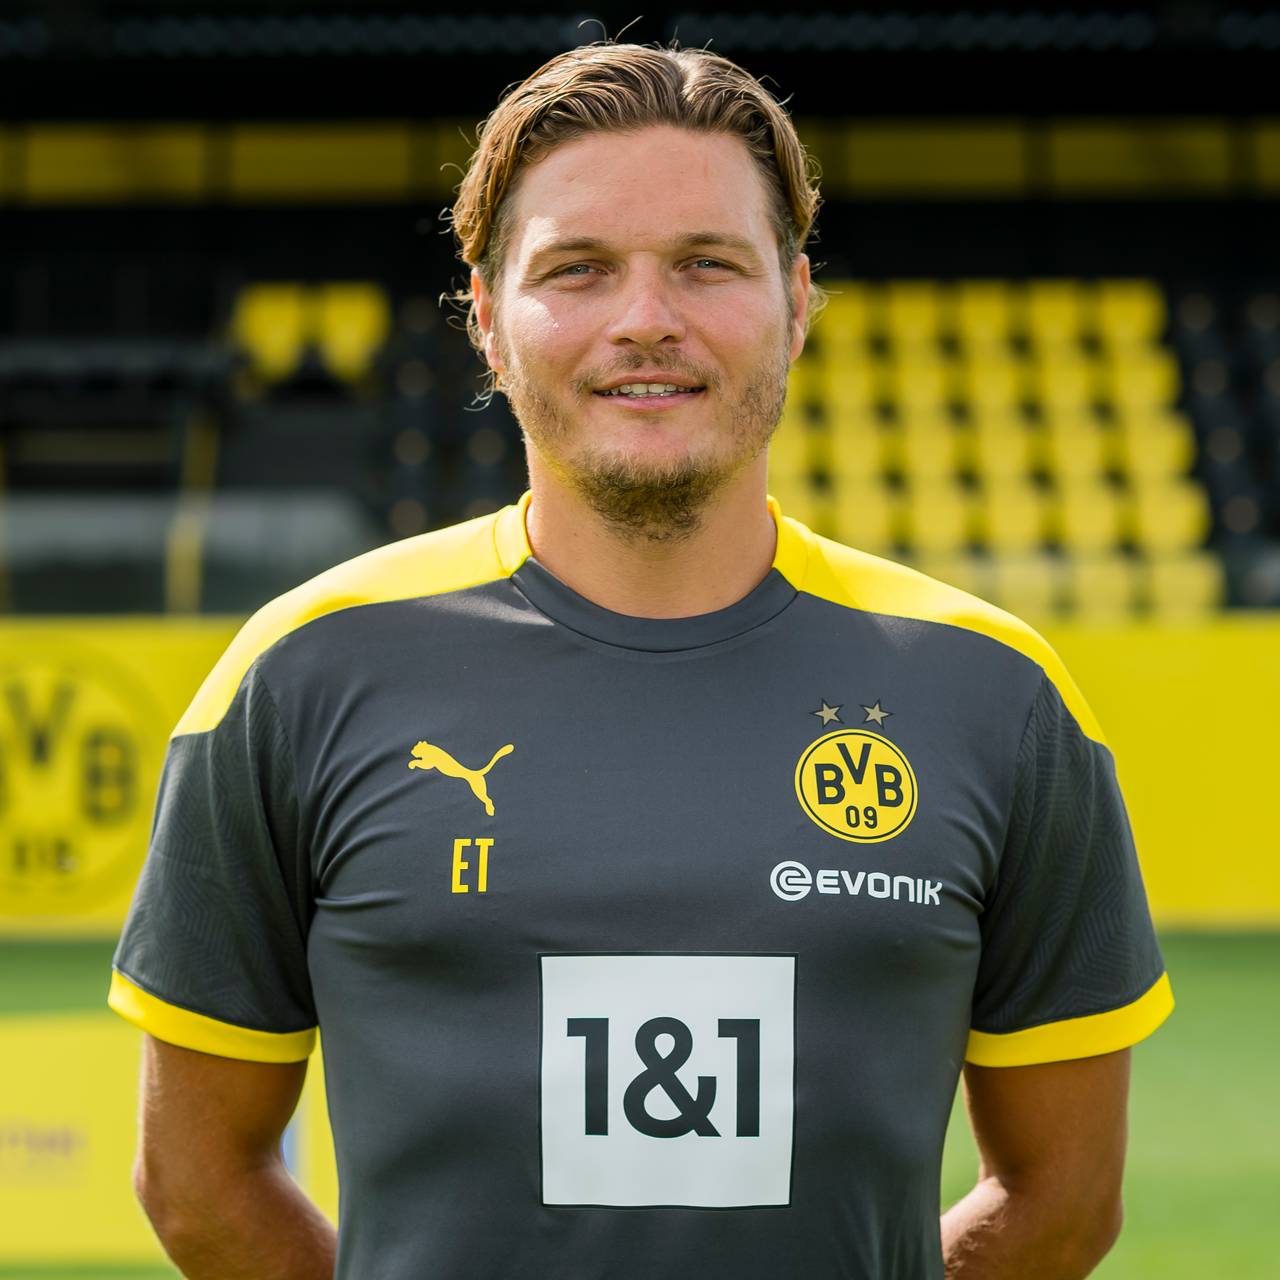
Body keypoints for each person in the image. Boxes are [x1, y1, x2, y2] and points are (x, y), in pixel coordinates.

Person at [108, 40, 1173, 1280]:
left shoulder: (996, 692)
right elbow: (196, 1179)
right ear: (486, 319)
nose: (645, 320)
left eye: (706, 264)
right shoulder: (297, 674)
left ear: (797, 301)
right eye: (578, 269)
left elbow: (1061, 1196)